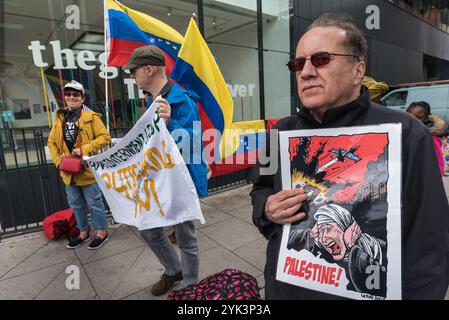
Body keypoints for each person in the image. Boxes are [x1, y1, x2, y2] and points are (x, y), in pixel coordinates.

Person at [250, 13, 449, 299]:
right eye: (297, 63)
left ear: (358, 71)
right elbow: (260, 189)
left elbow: (429, 243)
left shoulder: (406, 133)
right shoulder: (281, 132)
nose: (305, 72)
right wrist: (267, 210)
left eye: (320, 59)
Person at [124, 45, 207, 296]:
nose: (132, 77)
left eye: (134, 71)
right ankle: (174, 270)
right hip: (157, 179)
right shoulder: (154, 99)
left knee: (185, 236)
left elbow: (192, 144)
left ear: (149, 69)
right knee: (148, 229)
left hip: (179, 182)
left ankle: (189, 285)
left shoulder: (181, 99)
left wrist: (170, 124)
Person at [48, 80, 111, 250]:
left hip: (87, 170)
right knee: (75, 204)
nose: (71, 97)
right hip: (68, 172)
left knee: (95, 203)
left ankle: (101, 232)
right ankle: (83, 232)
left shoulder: (92, 117)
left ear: (82, 98)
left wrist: (85, 148)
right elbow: (51, 142)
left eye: (75, 94)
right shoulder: (60, 116)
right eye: (68, 94)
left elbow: (105, 138)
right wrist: (58, 161)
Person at [406, 101, 448, 176]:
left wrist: (436, 176)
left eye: (418, 118)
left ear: (426, 119)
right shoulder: (406, 134)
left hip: (427, 176)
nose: (414, 120)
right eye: (410, 117)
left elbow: (438, 162)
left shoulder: (431, 138)